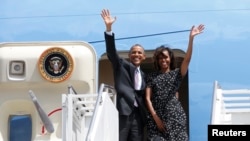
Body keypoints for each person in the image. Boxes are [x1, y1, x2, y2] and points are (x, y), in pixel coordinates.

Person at [145, 24, 205, 141]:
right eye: (160, 58)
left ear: (170, 59)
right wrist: (156, 117)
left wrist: (191, 39)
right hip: (157, 116)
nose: (163, 60)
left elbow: (187, 59)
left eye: (166, 57)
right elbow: (147, 98)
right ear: (157, 60)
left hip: (175, 115)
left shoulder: (177, 73)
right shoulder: (151, 76)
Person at [101, 9, 148, 141]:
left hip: (138, 117)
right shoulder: (121, 65)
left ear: (144, 57)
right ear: (129, 55)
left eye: (139, 53)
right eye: (133, 52)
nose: (136, 54)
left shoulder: (144, 75)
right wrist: (109, 28)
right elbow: (111, 52)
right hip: (123, 114)